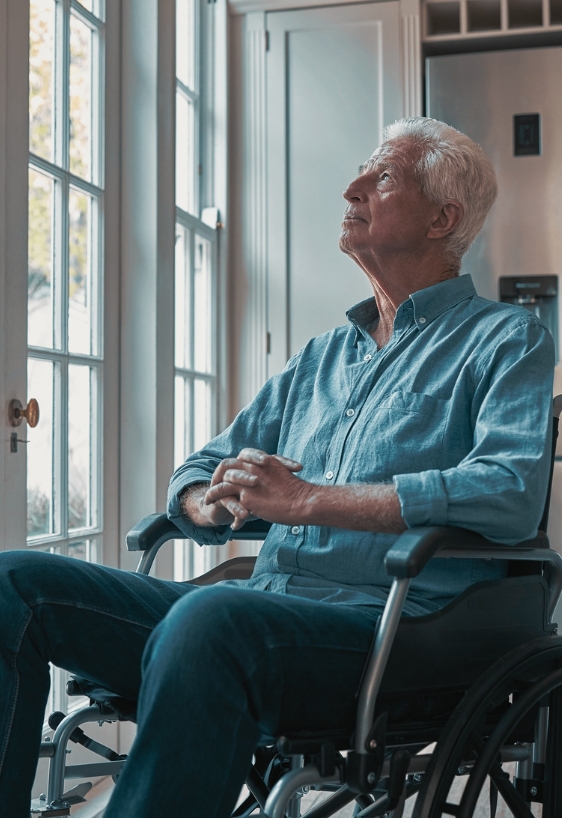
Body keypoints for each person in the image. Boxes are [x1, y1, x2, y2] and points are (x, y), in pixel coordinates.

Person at [0, 117, 554, 818]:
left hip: (398, 636)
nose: (351, 188)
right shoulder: (323, 357)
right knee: (12, 585)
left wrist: (308, 502)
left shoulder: (507, 339)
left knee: (212, 619)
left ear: (445, 217)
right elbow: (202, 466)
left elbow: (508, 491)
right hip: (258, 612)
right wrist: (207, 500)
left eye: (381, 177)